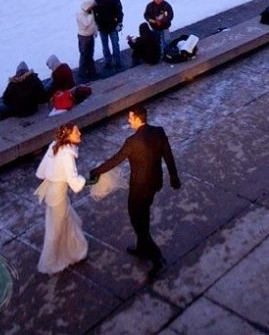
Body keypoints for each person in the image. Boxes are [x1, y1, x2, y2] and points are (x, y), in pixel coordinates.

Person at [89, 104, 181, 280]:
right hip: (155, 183)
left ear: (138, 118)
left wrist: (96, 171)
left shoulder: (132, 142)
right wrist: (174, 177)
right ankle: (141, 247)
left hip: (139, 188)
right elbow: (168, 156)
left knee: (137, 221)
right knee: (143, 214)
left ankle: (156, 257)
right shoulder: (159, 131)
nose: (128, 120)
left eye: (130, 117)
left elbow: (115, 160)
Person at [35, 123, 88, 275]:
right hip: (58, 195)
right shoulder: (68, 154)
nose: (79, 133)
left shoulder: (55, 145)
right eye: (76, 132)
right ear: (68, 135)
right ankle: (51, 262)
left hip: (52, 192)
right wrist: (85, 181)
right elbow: (72, 178)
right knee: (55, 229)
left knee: (68, 221)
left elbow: (44, 168)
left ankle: (76, 250)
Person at [93, 0, 123, 70]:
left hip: (113, 27)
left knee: (115, 45)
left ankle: (118, 62)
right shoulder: (98, 0)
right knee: (105, 46)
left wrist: (119, 23)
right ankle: (108, 62)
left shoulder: (116, 0)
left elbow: (120, 12)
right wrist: (96, 23)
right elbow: (94, 13)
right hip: (102, 28)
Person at [76, 0, 98, 80]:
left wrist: (95, 32)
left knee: (90, 55)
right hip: (83, 37)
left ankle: (92, 72)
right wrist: (91, 15)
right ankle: (82, 73)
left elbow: (93, 23)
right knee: (84, 56)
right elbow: (85, 24)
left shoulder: (89, 12)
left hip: (90, 36)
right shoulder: (80, 14)